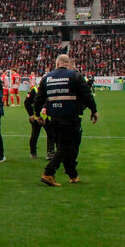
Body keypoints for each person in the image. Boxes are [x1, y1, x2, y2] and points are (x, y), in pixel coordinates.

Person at [34, 54, 98, 186]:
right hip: (70, 117)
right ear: (68, 64)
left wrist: (37, 114)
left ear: (57, 64)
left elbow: (39, 99)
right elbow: (87, 95)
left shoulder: (47, 78)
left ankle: (73, 175)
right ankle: (48, 173)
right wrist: (94, 110)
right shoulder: (75, 76)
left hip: (53, 119)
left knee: (63, 147)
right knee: (66, 148)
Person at [24, 81, 54, 159]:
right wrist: (31, 114)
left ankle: (48, 152)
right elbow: (27, 102)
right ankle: (36, 152)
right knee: (36, 134)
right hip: (39, 117)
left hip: (45, 116)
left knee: (49, 134)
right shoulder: (36, 89)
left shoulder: (37, 89)